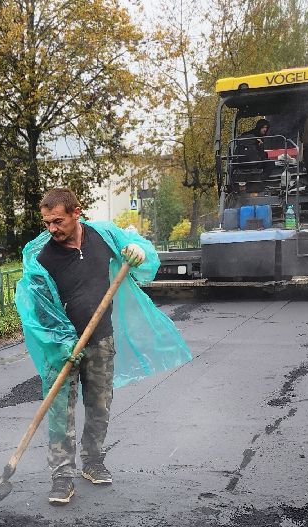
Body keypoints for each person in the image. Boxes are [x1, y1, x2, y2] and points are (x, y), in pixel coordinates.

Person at [16, 188, 193, 505]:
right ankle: (61, 476)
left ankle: (93, 462)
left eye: (58, 221)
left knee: (99, 405)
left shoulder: (102, 235)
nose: (52, 229)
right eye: (47, 223)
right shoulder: (42, 258)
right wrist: (62, 343)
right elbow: (38, 311)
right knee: (60, 412)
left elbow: (140, 252)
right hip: (62, 347)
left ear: (76, 212)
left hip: (101, 338)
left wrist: (136, 251)